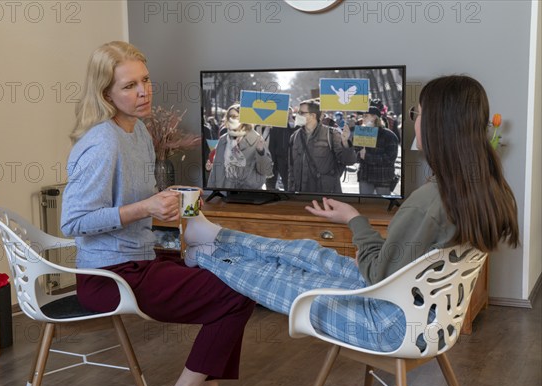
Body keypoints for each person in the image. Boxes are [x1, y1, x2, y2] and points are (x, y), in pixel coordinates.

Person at [182, 75, 520, 352]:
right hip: (425, 316)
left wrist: (354, 221)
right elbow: (391, 268)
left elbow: (377, 274)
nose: (415, 122)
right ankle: (214, 236)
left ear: (437, 126)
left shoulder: (428, 202)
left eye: (417, 114)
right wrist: (354, 217)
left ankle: (207, 256)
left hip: (388, 324)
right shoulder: (489, 188)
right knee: (305, 252)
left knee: (285, 277)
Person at [60, 41, 255, 386]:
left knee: (234, 275)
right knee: (235, 292)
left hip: (141, 258)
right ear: (106, 93)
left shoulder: (138, 133)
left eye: (145, 80)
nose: (143, 92)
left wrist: (172, 198)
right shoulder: (103, 143)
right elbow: (73, 222)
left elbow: (140, 197)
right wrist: (146, 208)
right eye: (129, 86)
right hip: (110, 275)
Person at [288, 99, 356, 194]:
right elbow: (291, 167)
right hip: (300, 193)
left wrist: (345, 143)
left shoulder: (331, 134)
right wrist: (290, 190)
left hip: (325, 194)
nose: (297, 115)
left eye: (301, 112)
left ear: (313, 116)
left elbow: (349, 161)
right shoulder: (294, 136)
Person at [207, 103, 273, 189]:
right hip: (226, 192)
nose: (231, 119)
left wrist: (261, 152)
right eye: (229, 116)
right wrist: (211, 191)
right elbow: (215, 170)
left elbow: (266, 170)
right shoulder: (223, 140)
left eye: (235, 116)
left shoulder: (257, 139)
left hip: (248, 194)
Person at [356, 103, 400, 195]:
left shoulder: (389, 136)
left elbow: (390, 158)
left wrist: (367, 156)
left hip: (382, 178)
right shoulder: (361, 133)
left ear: (374, 117)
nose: (363, 118)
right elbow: (355, 154)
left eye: (366, 116)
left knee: (382, 206)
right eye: (363, 116)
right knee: (364, 205)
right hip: (365, 177)